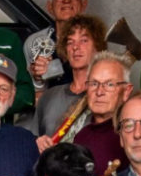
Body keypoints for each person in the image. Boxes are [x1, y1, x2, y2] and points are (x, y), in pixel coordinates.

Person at [28, 14, 108, 148]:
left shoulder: (106, 96)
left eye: (83, 41)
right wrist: (37, 143)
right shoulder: (48, 97)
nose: (76, 47)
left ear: (98, 48)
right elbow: (32, 141)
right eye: (70, 42)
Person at [22, 0, 89, 96]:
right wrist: (37, 79)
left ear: (83, 4)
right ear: (50, 7)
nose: (67, 0)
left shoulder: (94, 43)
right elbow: (29, 95)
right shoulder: (33, 43)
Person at [72, 51, 133, 176]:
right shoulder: (80, 137)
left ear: (126, 92)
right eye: (94, 84)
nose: (99, 92)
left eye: (109, 84)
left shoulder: (133, 134)